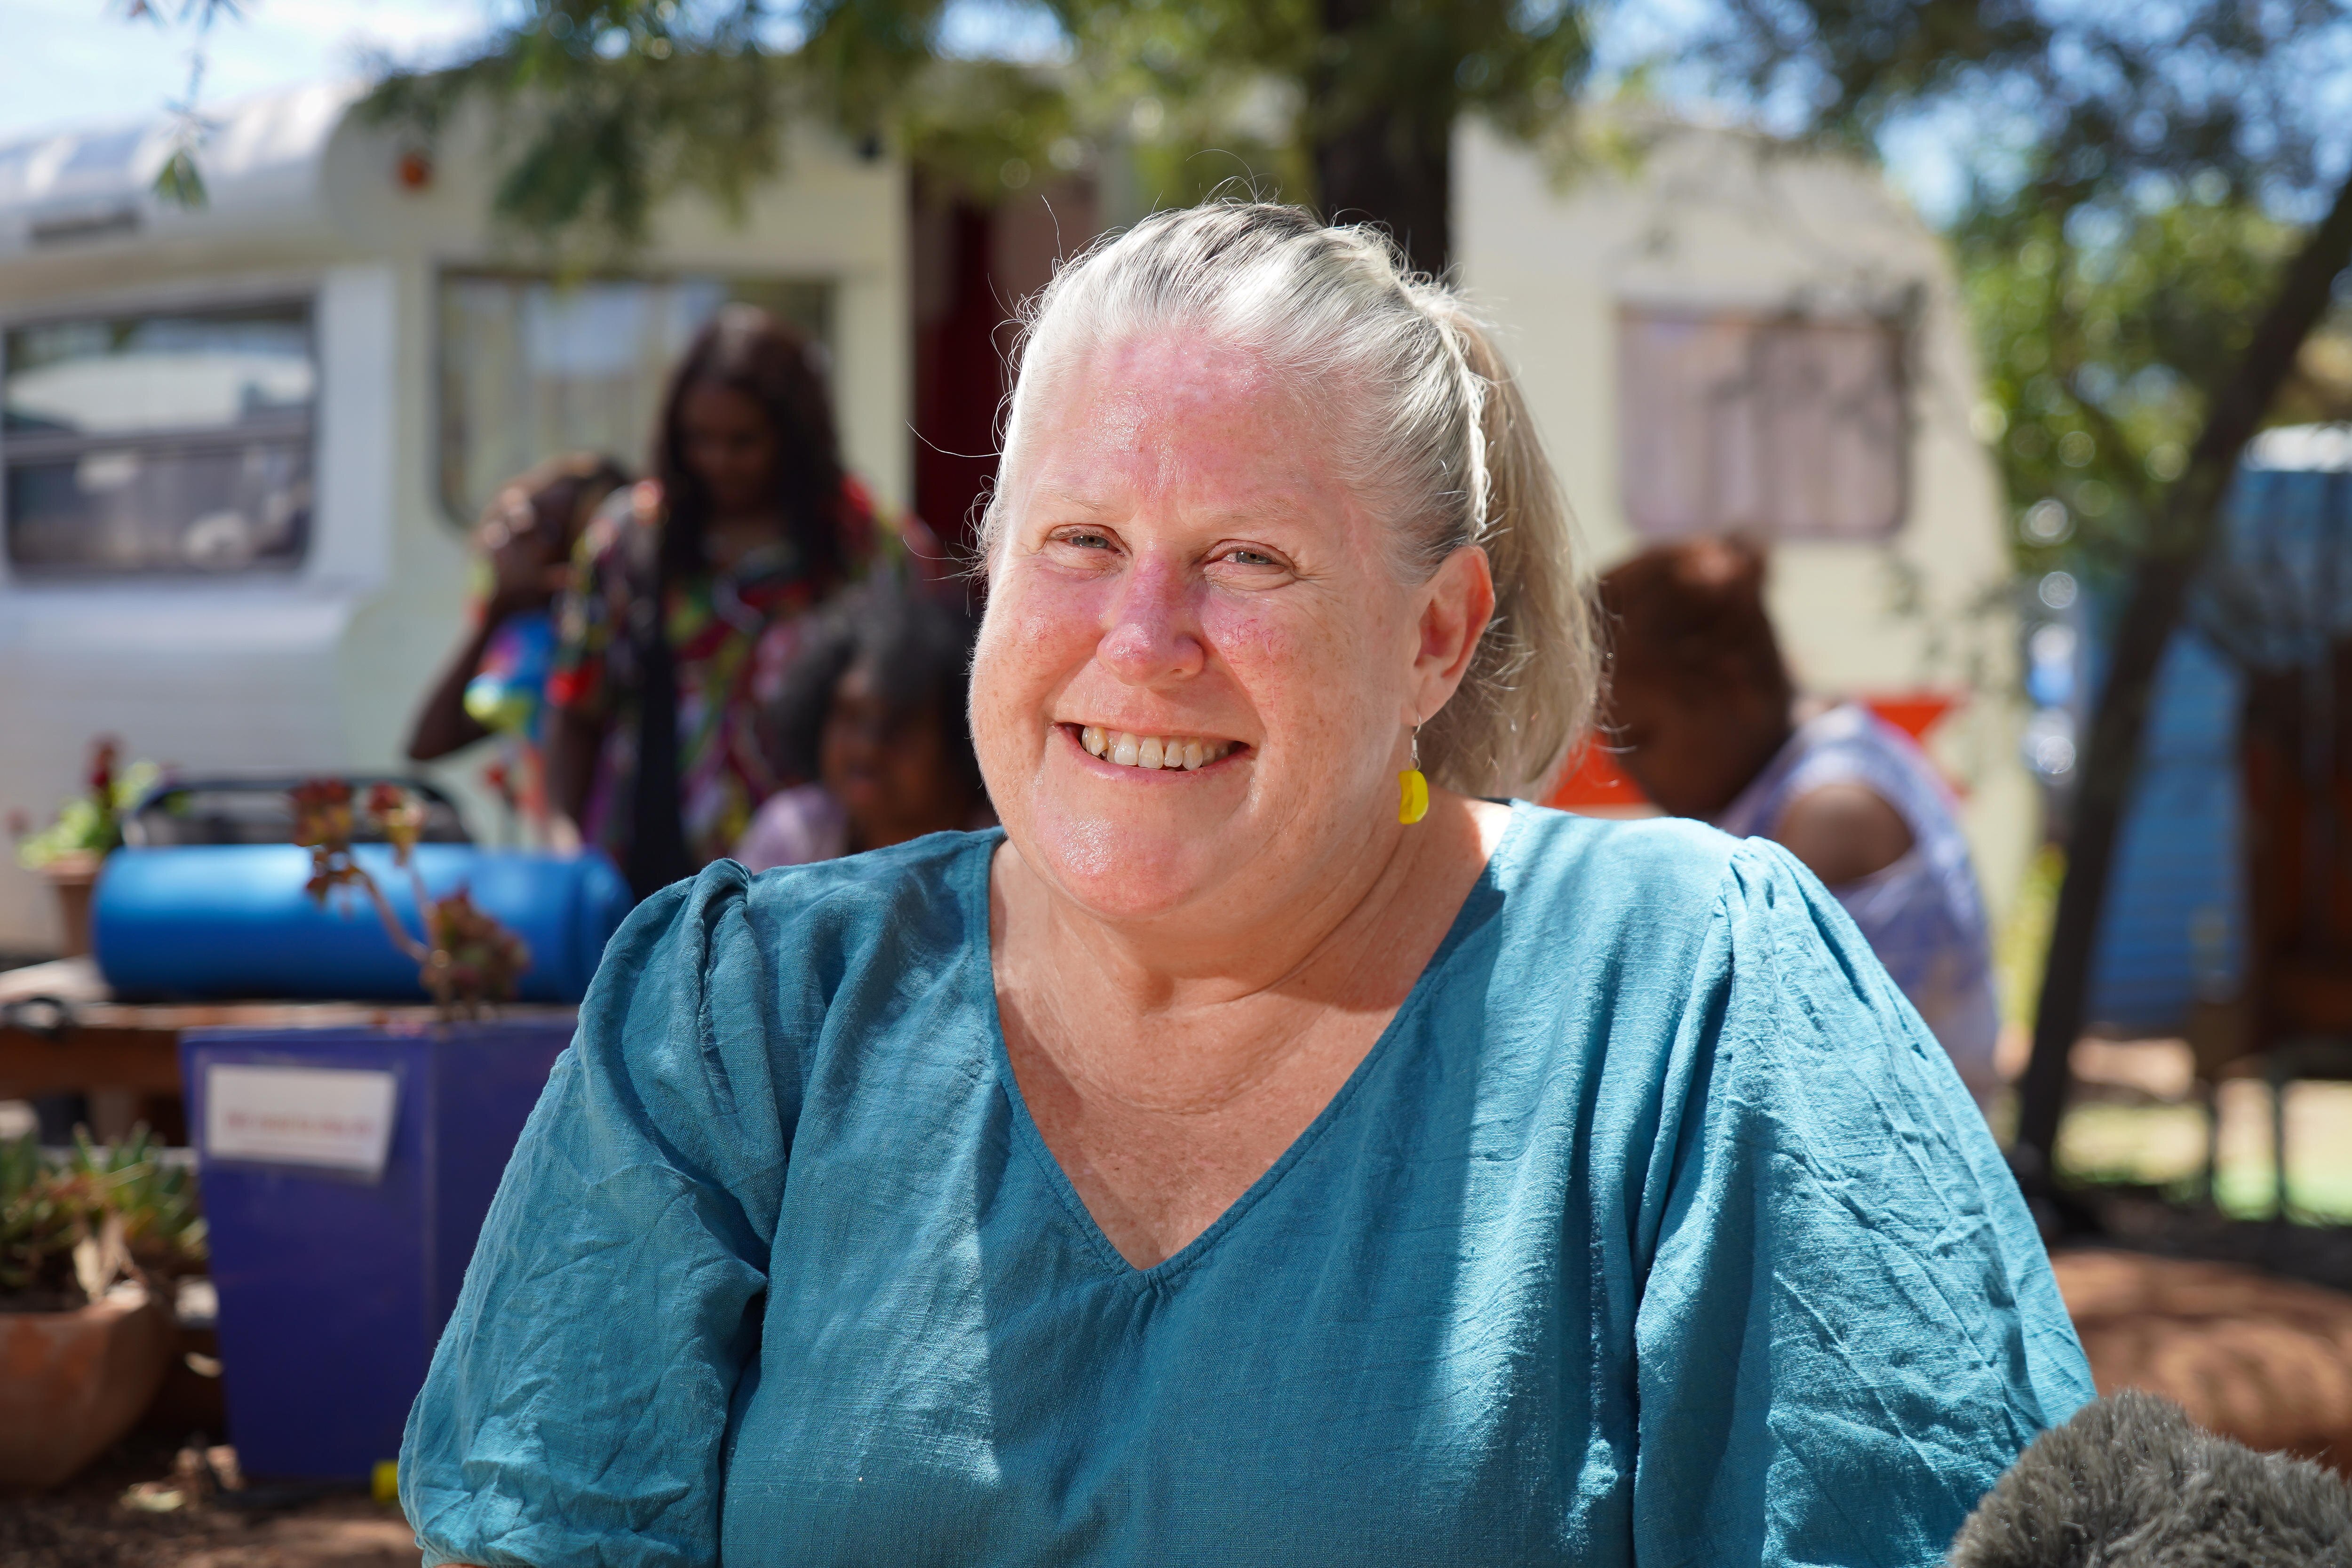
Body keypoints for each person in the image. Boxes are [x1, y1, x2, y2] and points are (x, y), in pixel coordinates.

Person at [402, 204, 2089, 1567]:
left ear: (1431, 633)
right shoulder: (741, 1015)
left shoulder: (1694, 997)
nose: (1139, 648)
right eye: (1078, 543)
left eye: (1246, 560)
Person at [544, 304, 937, 898]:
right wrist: (563, 844)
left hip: (816, 880)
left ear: (794, 434)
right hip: (648, 873)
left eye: (742, 441)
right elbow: (576, 708)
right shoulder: (629, 540)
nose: (717, 461)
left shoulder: (866, 546)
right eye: (698, 440)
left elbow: (919, 704)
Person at [1597, 537, 2004, 1108]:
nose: (1627, 772)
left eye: (1641, 739)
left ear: (1731, 689)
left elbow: (1753, 1076)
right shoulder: (1818, 756)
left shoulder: (1832, 817)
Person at [732, 584, 992, 871]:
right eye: (851, 717)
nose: (867, 747)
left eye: (898, 724)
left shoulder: (1009, 858)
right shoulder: (795, 833)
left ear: (964, 737)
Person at [403, 454, 631, 768]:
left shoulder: (574, 648)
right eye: (528, 511)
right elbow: (426, 745)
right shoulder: (527, 633)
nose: (518, 531)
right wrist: (498, 612)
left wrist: (499, 612)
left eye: (546, 529)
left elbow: (430, 744)